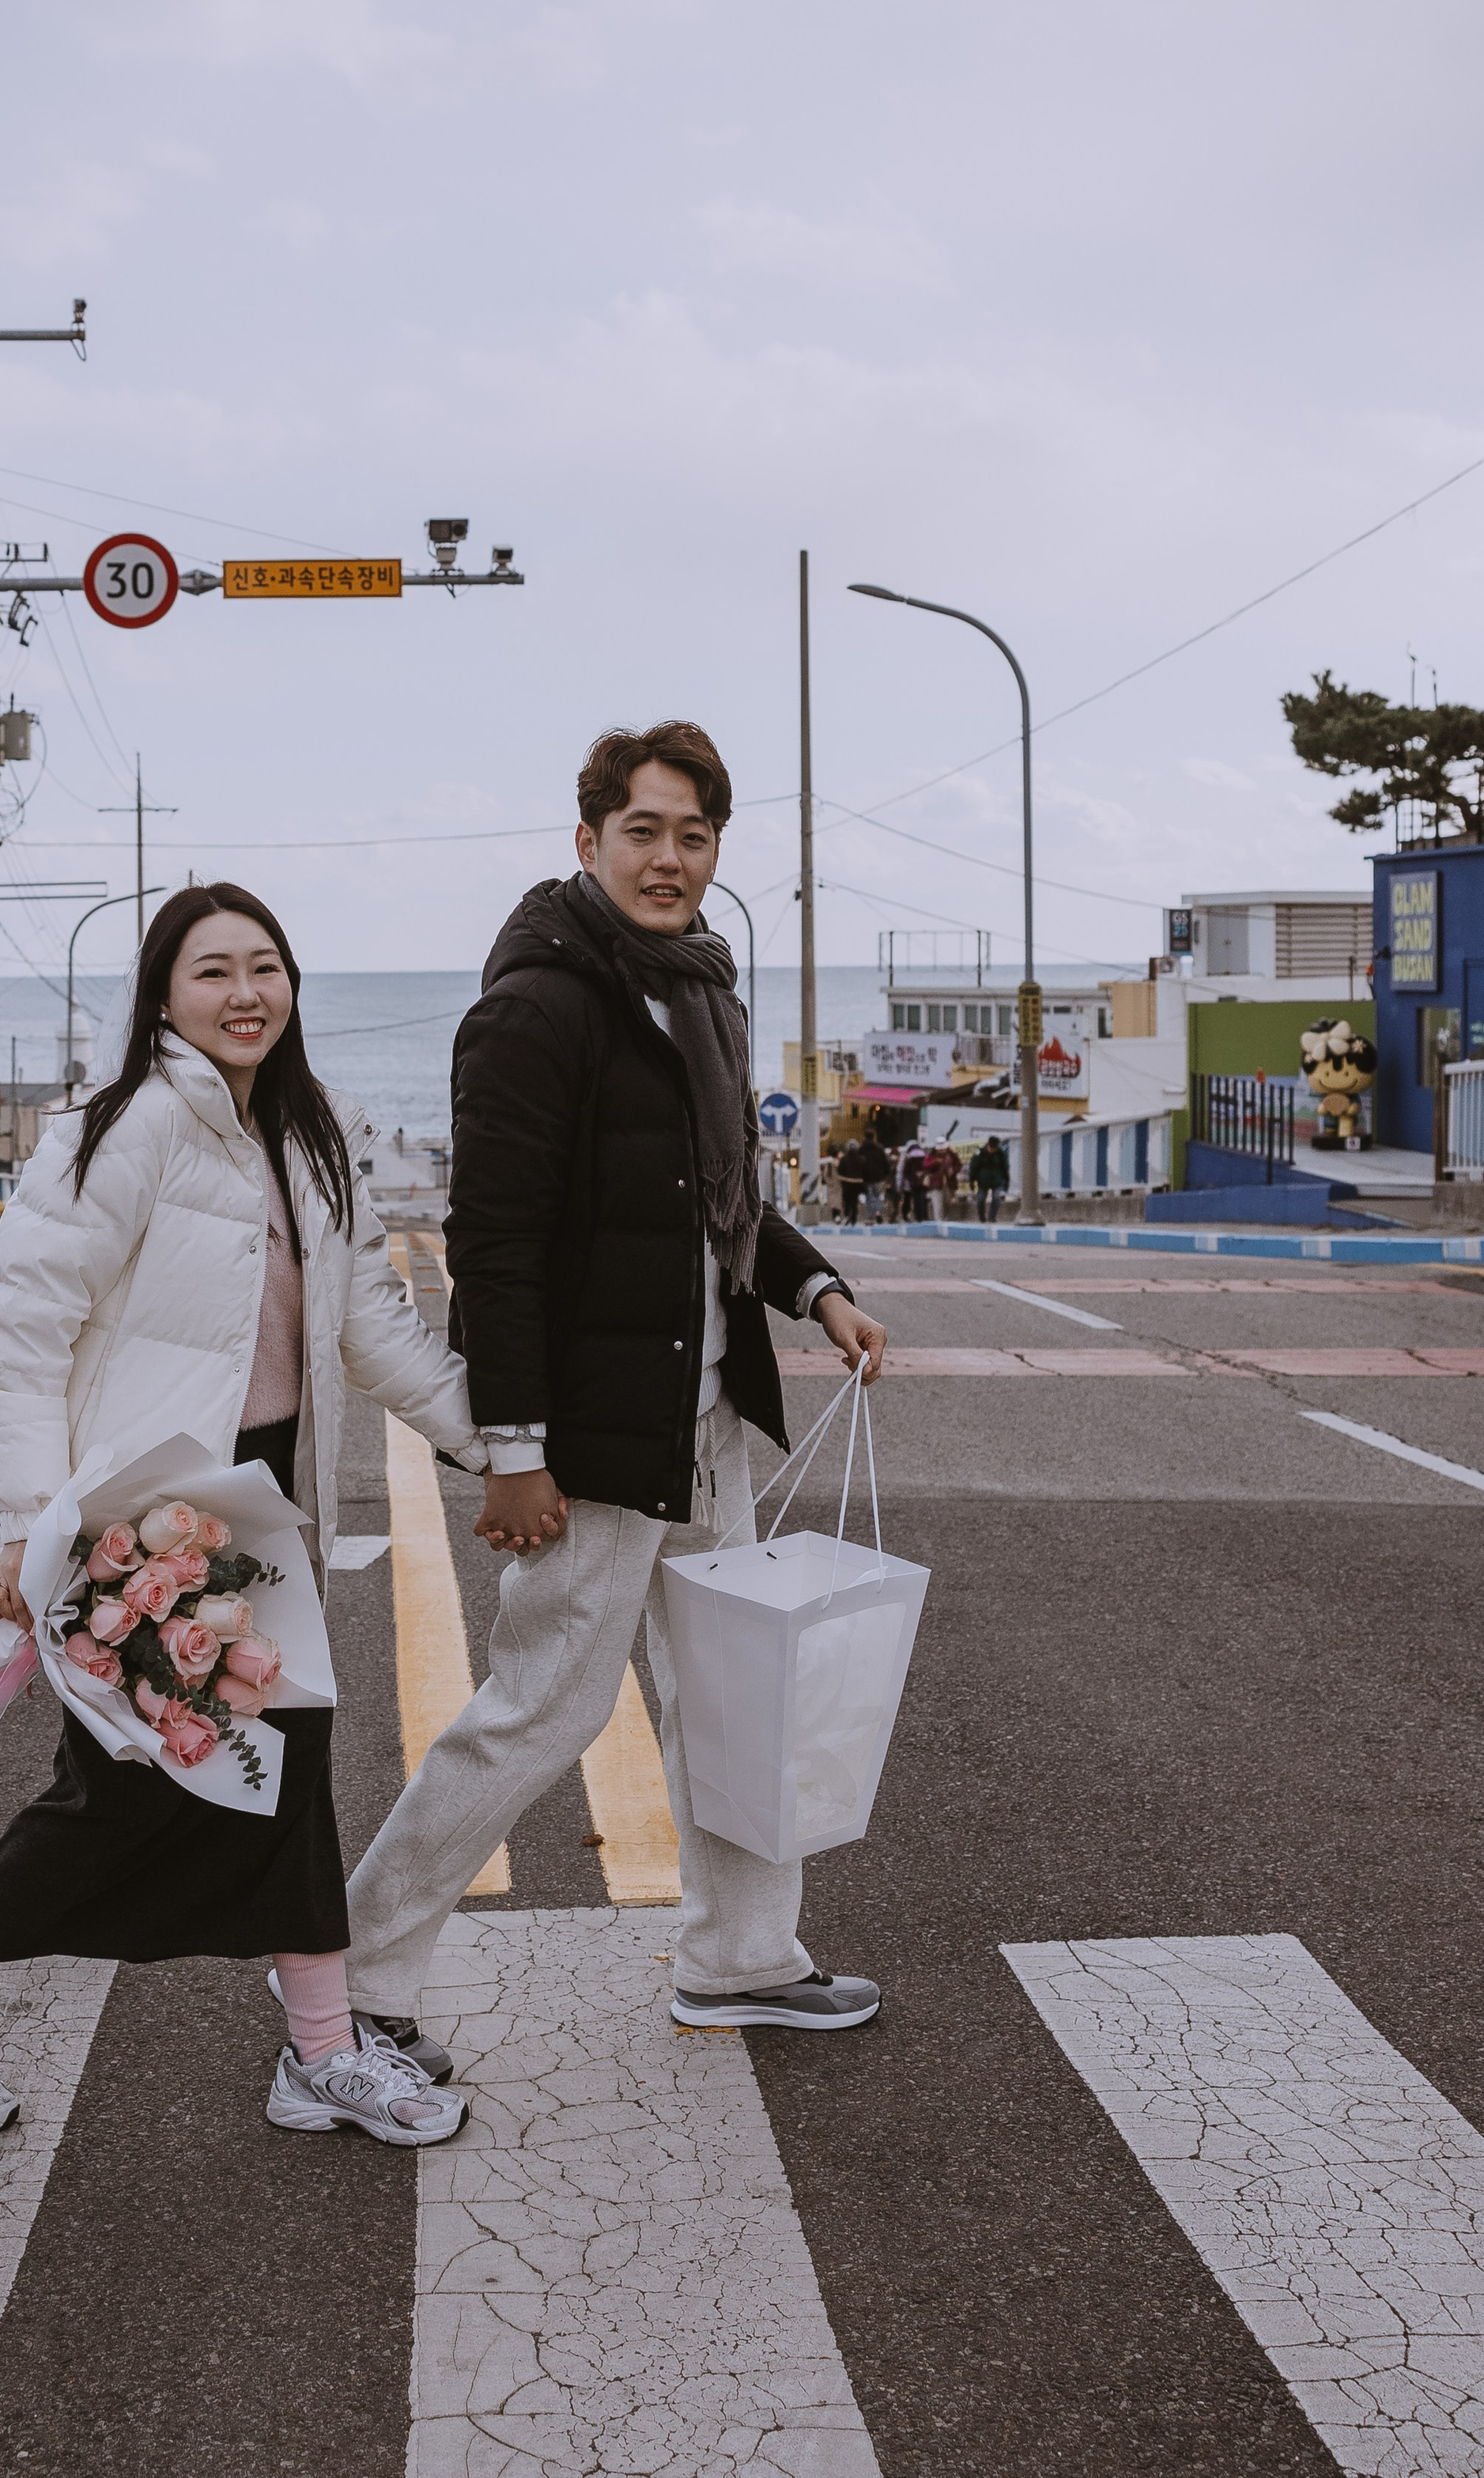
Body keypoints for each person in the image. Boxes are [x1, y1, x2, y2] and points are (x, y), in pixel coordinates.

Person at [0, 883, 480, 2150]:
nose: (246, 993)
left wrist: (498, 1449)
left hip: (261, 1504)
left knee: (288, 1768)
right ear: (163, 996)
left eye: (267, 968)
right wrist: (37, 1527)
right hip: (141, 1518)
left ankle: (319, 2050)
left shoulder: (310, 1137)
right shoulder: (127, 1125)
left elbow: (369, 1334)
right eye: (213, 972)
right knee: (133, 1791)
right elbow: (18, 1336)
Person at [343, 722, 890, 2042]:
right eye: (641, 831)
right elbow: (497, 1249)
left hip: (704, 1418)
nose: (668, 858)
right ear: (587, 841)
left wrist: (814, 1289)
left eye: (692, 836)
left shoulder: (697, 983)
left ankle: (745, 1956)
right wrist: (515, 1448)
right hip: (594, 1433)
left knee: (734, 1698)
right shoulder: (539, 1002)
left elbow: (725, 1198)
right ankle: (359, 1969)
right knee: (539, 1712)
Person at [971, 1132, 1011, 1222]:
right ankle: (982, 1217)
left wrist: (1007, 1181)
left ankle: (992, 1217)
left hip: (996, 1180)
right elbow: (973, 1167)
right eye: (991, 1148)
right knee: (981, 1199)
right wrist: (972, 1181)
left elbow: (1005, 1167)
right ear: (988, 1145)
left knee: (997, 1198)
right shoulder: (980, 1153)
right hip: (983, 1181)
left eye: (994, 1148)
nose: (992, 1150)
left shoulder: (1000, 1154)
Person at [836, 1133, 870, 1226]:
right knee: (855, 1202)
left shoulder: (844, 1159)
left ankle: (847, 1216)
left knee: (847, 1201)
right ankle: (854, 1219)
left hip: (847, 1184)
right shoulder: (861, 1159)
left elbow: (840, 1171)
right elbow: (865, 1171)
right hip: (858, 1184)